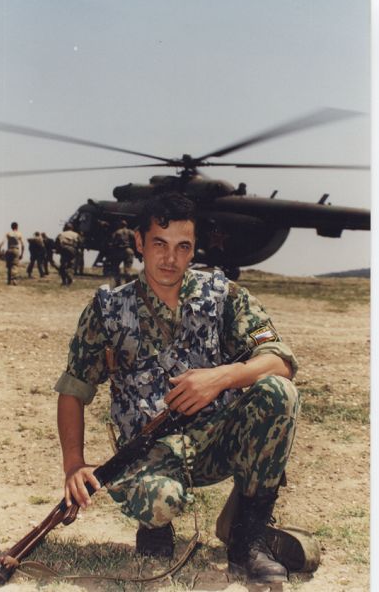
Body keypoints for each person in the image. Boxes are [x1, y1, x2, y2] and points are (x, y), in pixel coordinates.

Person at [54, 193, 299, 584]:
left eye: (183, 247)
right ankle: (155, 527)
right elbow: (73, 389)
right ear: (139, 242)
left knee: (278, 392)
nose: (170, 258)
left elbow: (280, 360)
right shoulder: (108, 310)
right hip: (149, 450)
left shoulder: (224, 297)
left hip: (216, 442)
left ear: (194, 247)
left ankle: (247, 540)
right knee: (159, 503)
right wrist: (73, 464)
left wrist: (220, 377)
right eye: (160, 244)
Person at [106, 219, 135, 286]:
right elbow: (136, 240)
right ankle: (128, 284)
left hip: (119, 251)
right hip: (129, 251)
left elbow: (112, 242)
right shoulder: (130, 232)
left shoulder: (117, 232)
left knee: (115, 268)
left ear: (120, 225)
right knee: (127, 269)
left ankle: (118, 284)